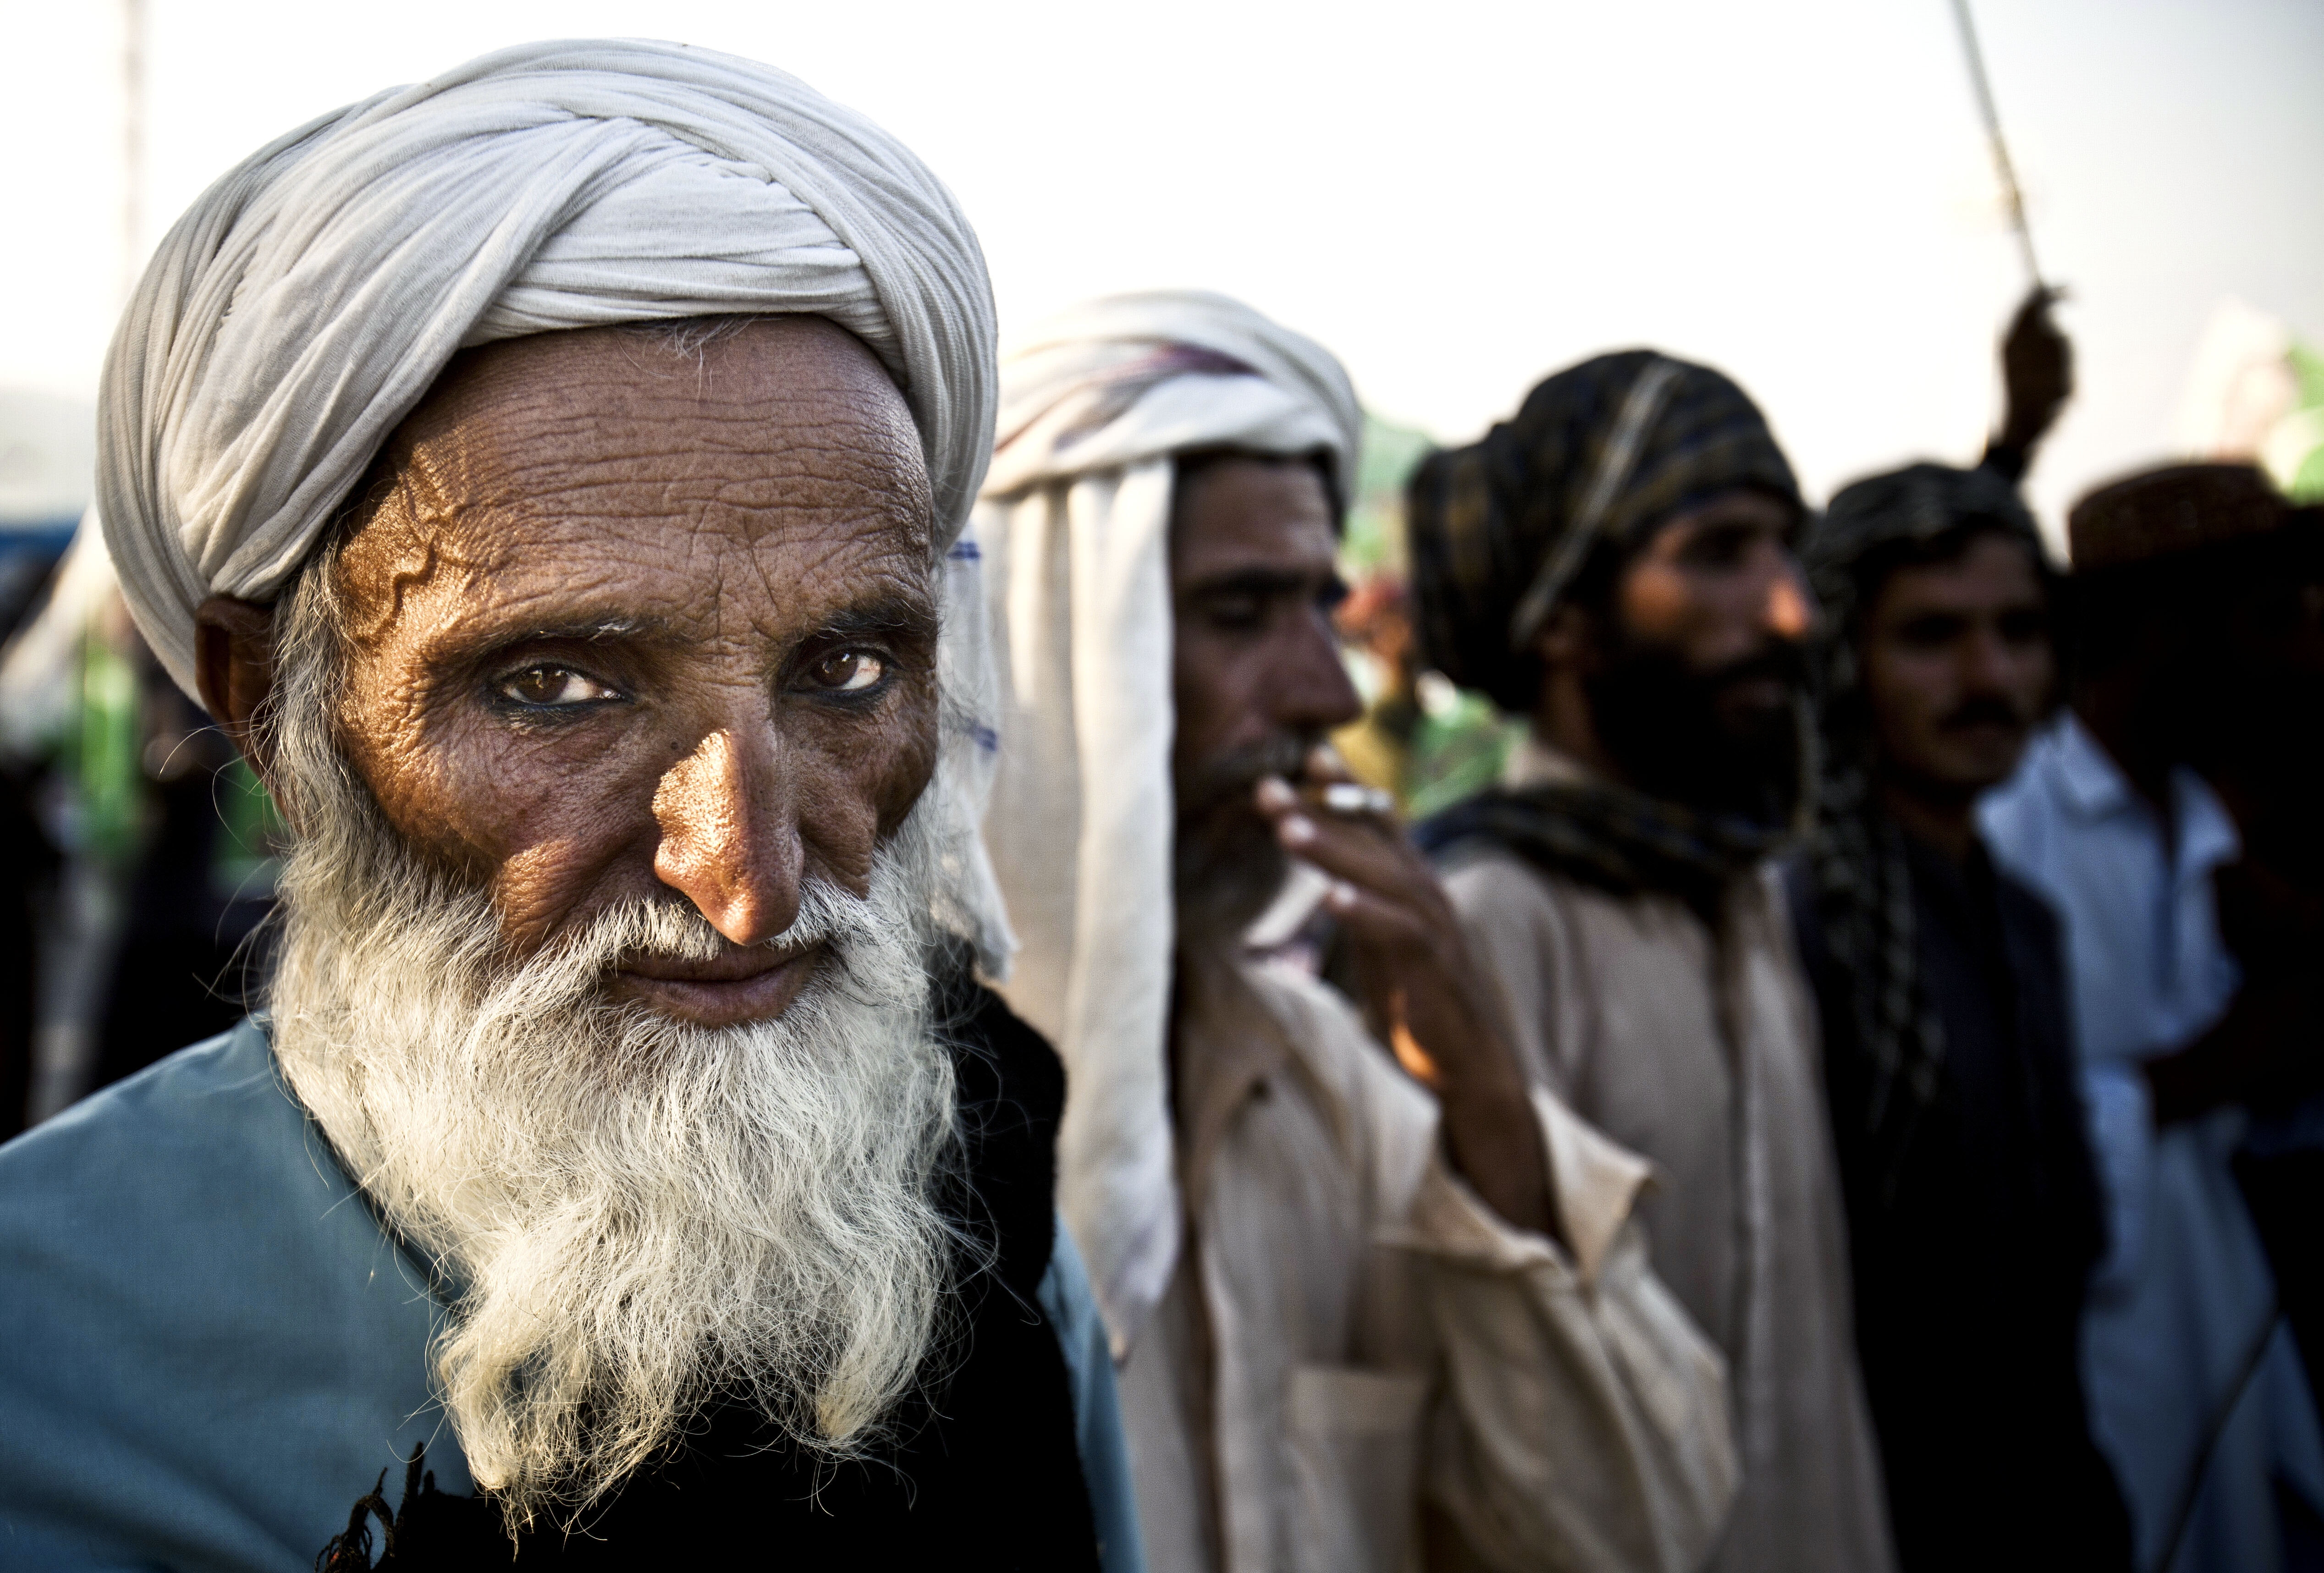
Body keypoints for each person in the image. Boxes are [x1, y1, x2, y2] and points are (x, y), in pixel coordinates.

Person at [0, 42, 1140, 1569]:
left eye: (847, 668)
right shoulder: (43, 1357)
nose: (748, 877)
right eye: (553, 688)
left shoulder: (973, 1195)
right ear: (270, 706)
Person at [973, 292, 1738, 1573]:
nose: (1327, 689)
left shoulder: (1324, 1081)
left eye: (1320, 609)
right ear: (1050, 642)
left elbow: (1637, 1524)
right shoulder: (893, 1152)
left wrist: (1485, 1097)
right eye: (1238, 614)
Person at [1405, 351, 1894, 1573]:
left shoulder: (1747, 898)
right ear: (1566, 615)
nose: (1788, 610)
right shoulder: (1489, 922)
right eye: (1719, 553)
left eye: (1782, 551)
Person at [1981, 463, 2324, 1573]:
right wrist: (2211, 1069)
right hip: (2096, 1361)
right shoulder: (2010, 826)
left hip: (2223, 1313)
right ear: (2168, 631)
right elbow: (1971, 1147)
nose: (2304, 653)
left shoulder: (2202, 824)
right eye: (2274, 618)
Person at [1786, 461, 2129, 1570]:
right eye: (1932, 638)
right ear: (1844, 659)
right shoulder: (1793, 928)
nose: (1990, 678)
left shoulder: (2024, 921)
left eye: (2019, 633)